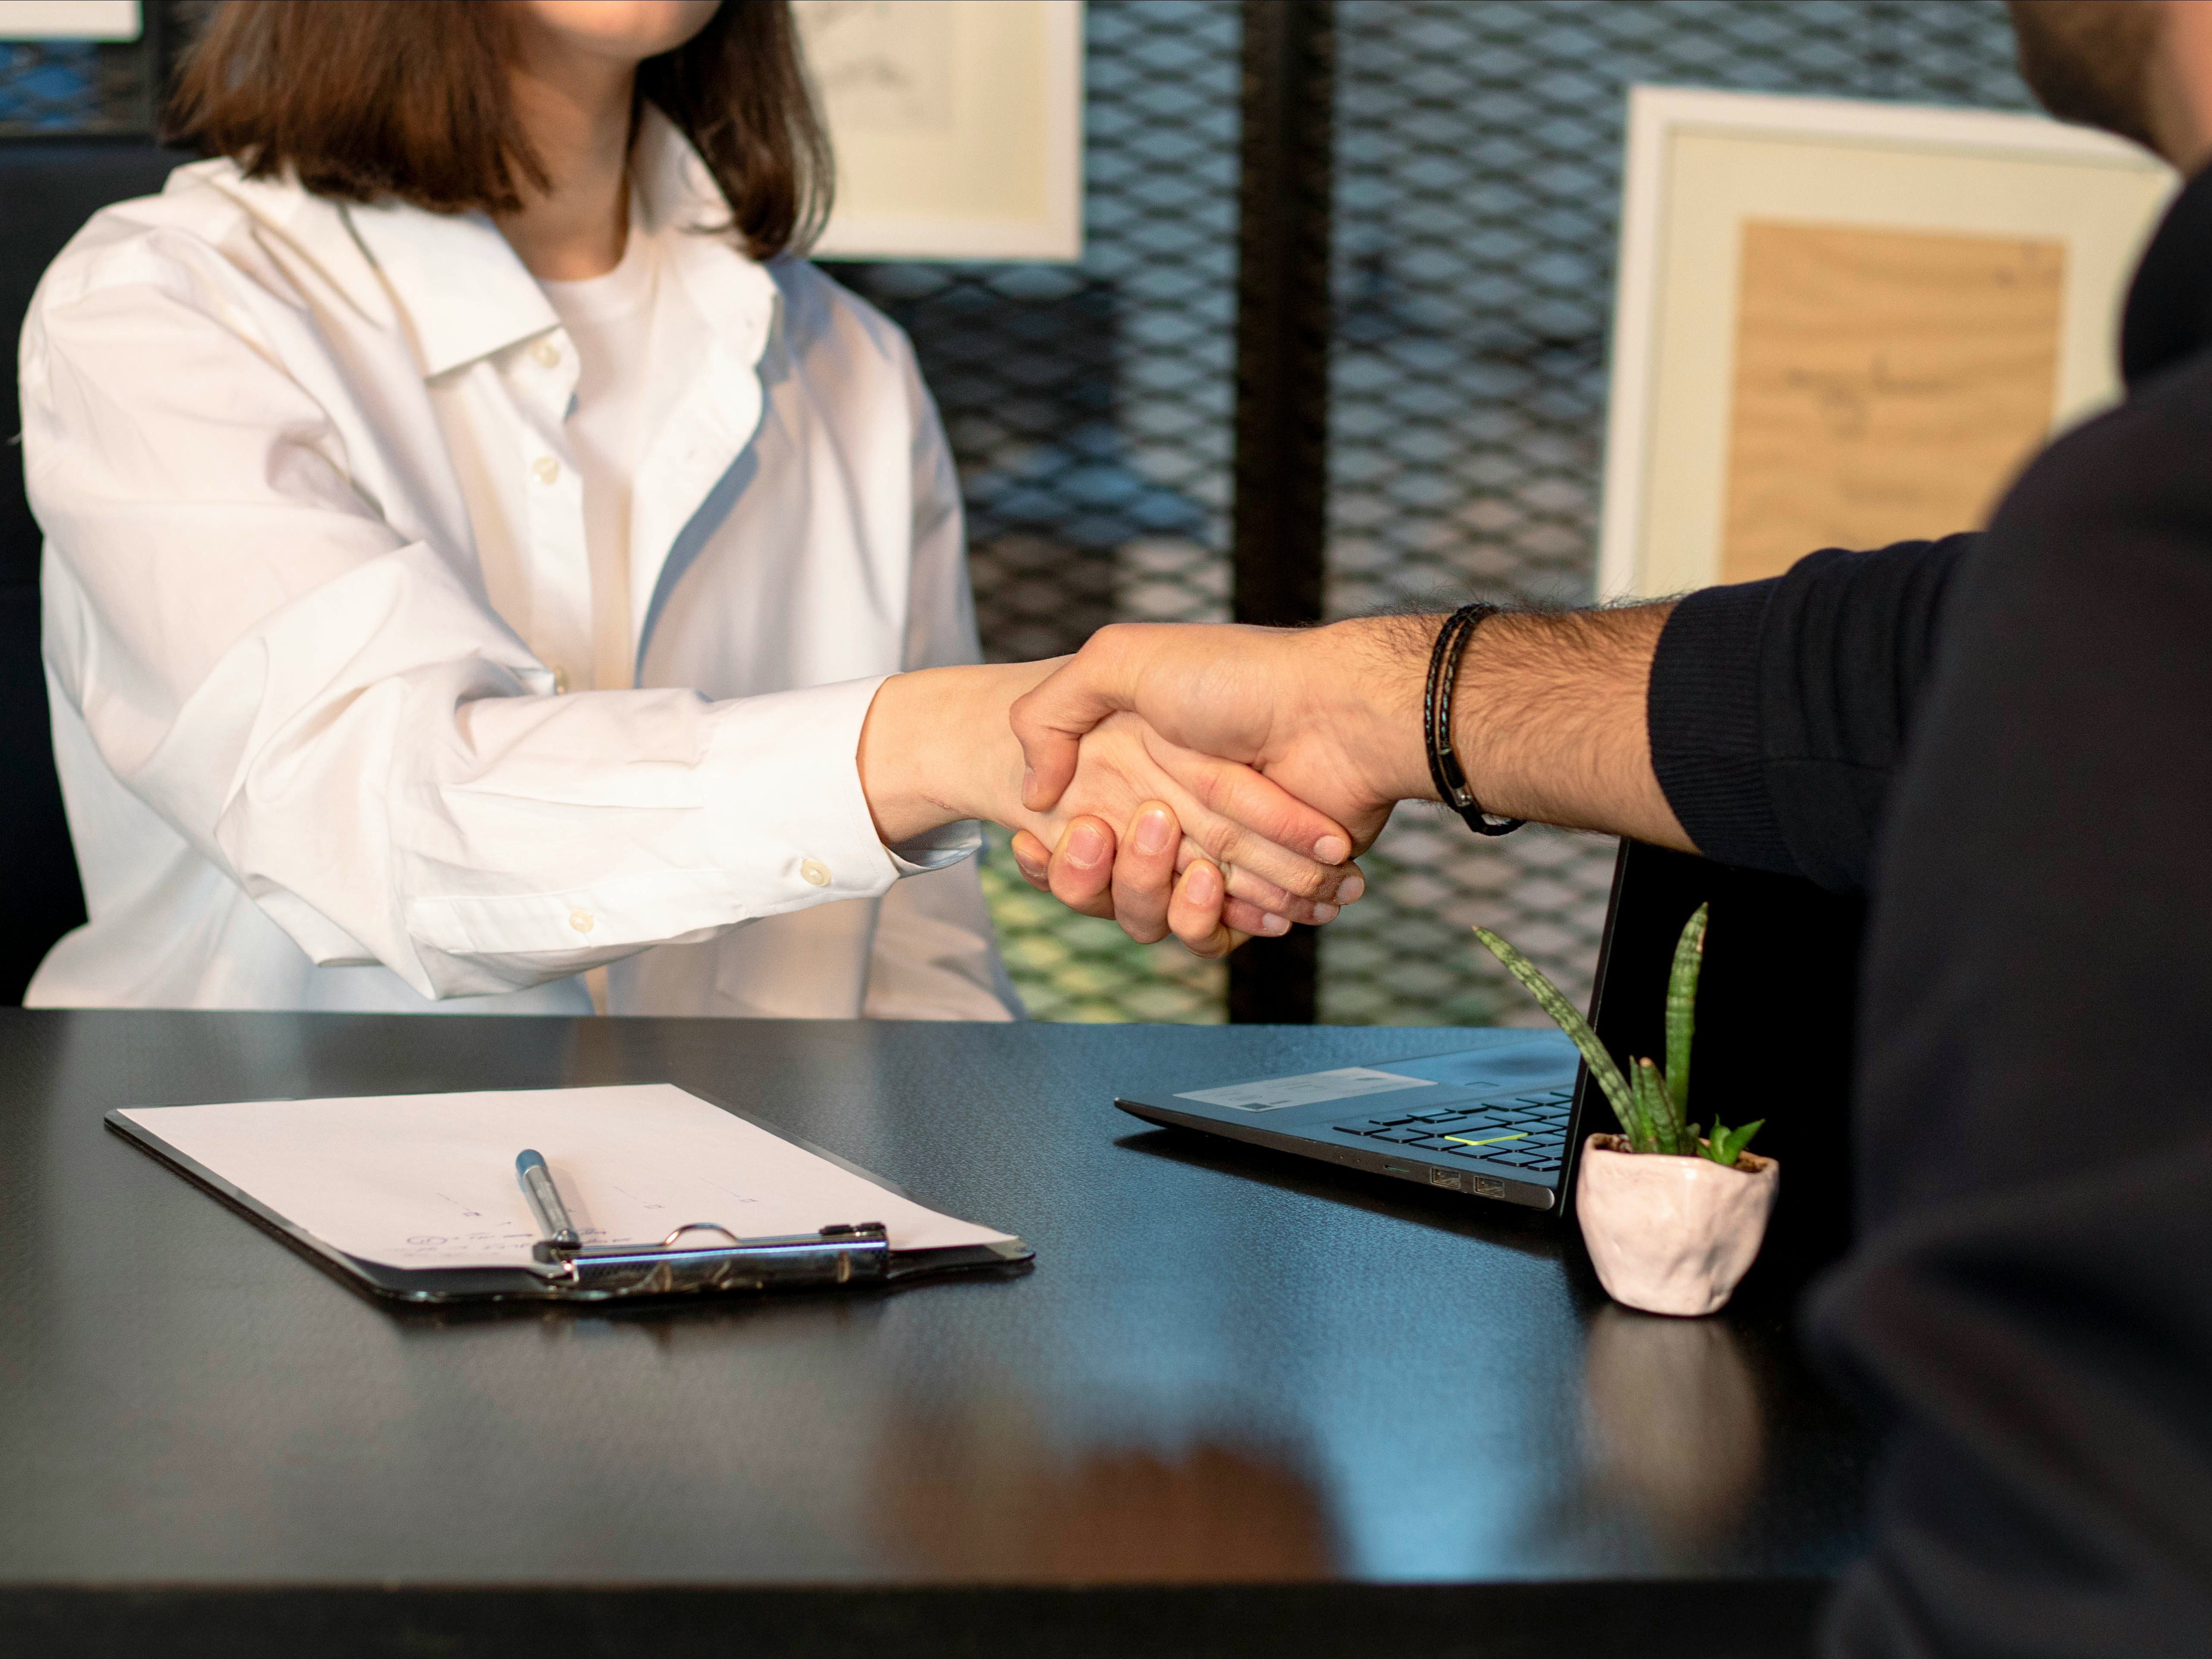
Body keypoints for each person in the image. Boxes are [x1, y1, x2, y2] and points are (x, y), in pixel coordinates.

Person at [1010, 2, 2212, 1652]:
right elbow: (1920, 674)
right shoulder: (2130, 539)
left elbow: (2079, 1535)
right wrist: (1374, 698)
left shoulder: (2149, 530)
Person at [19, 0, 1355, 1018]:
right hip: (252, 1263)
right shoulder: (162, 306)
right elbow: (387, 820)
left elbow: (925, 972)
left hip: (768, 1270)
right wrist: (938, 741)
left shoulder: (850, 364)